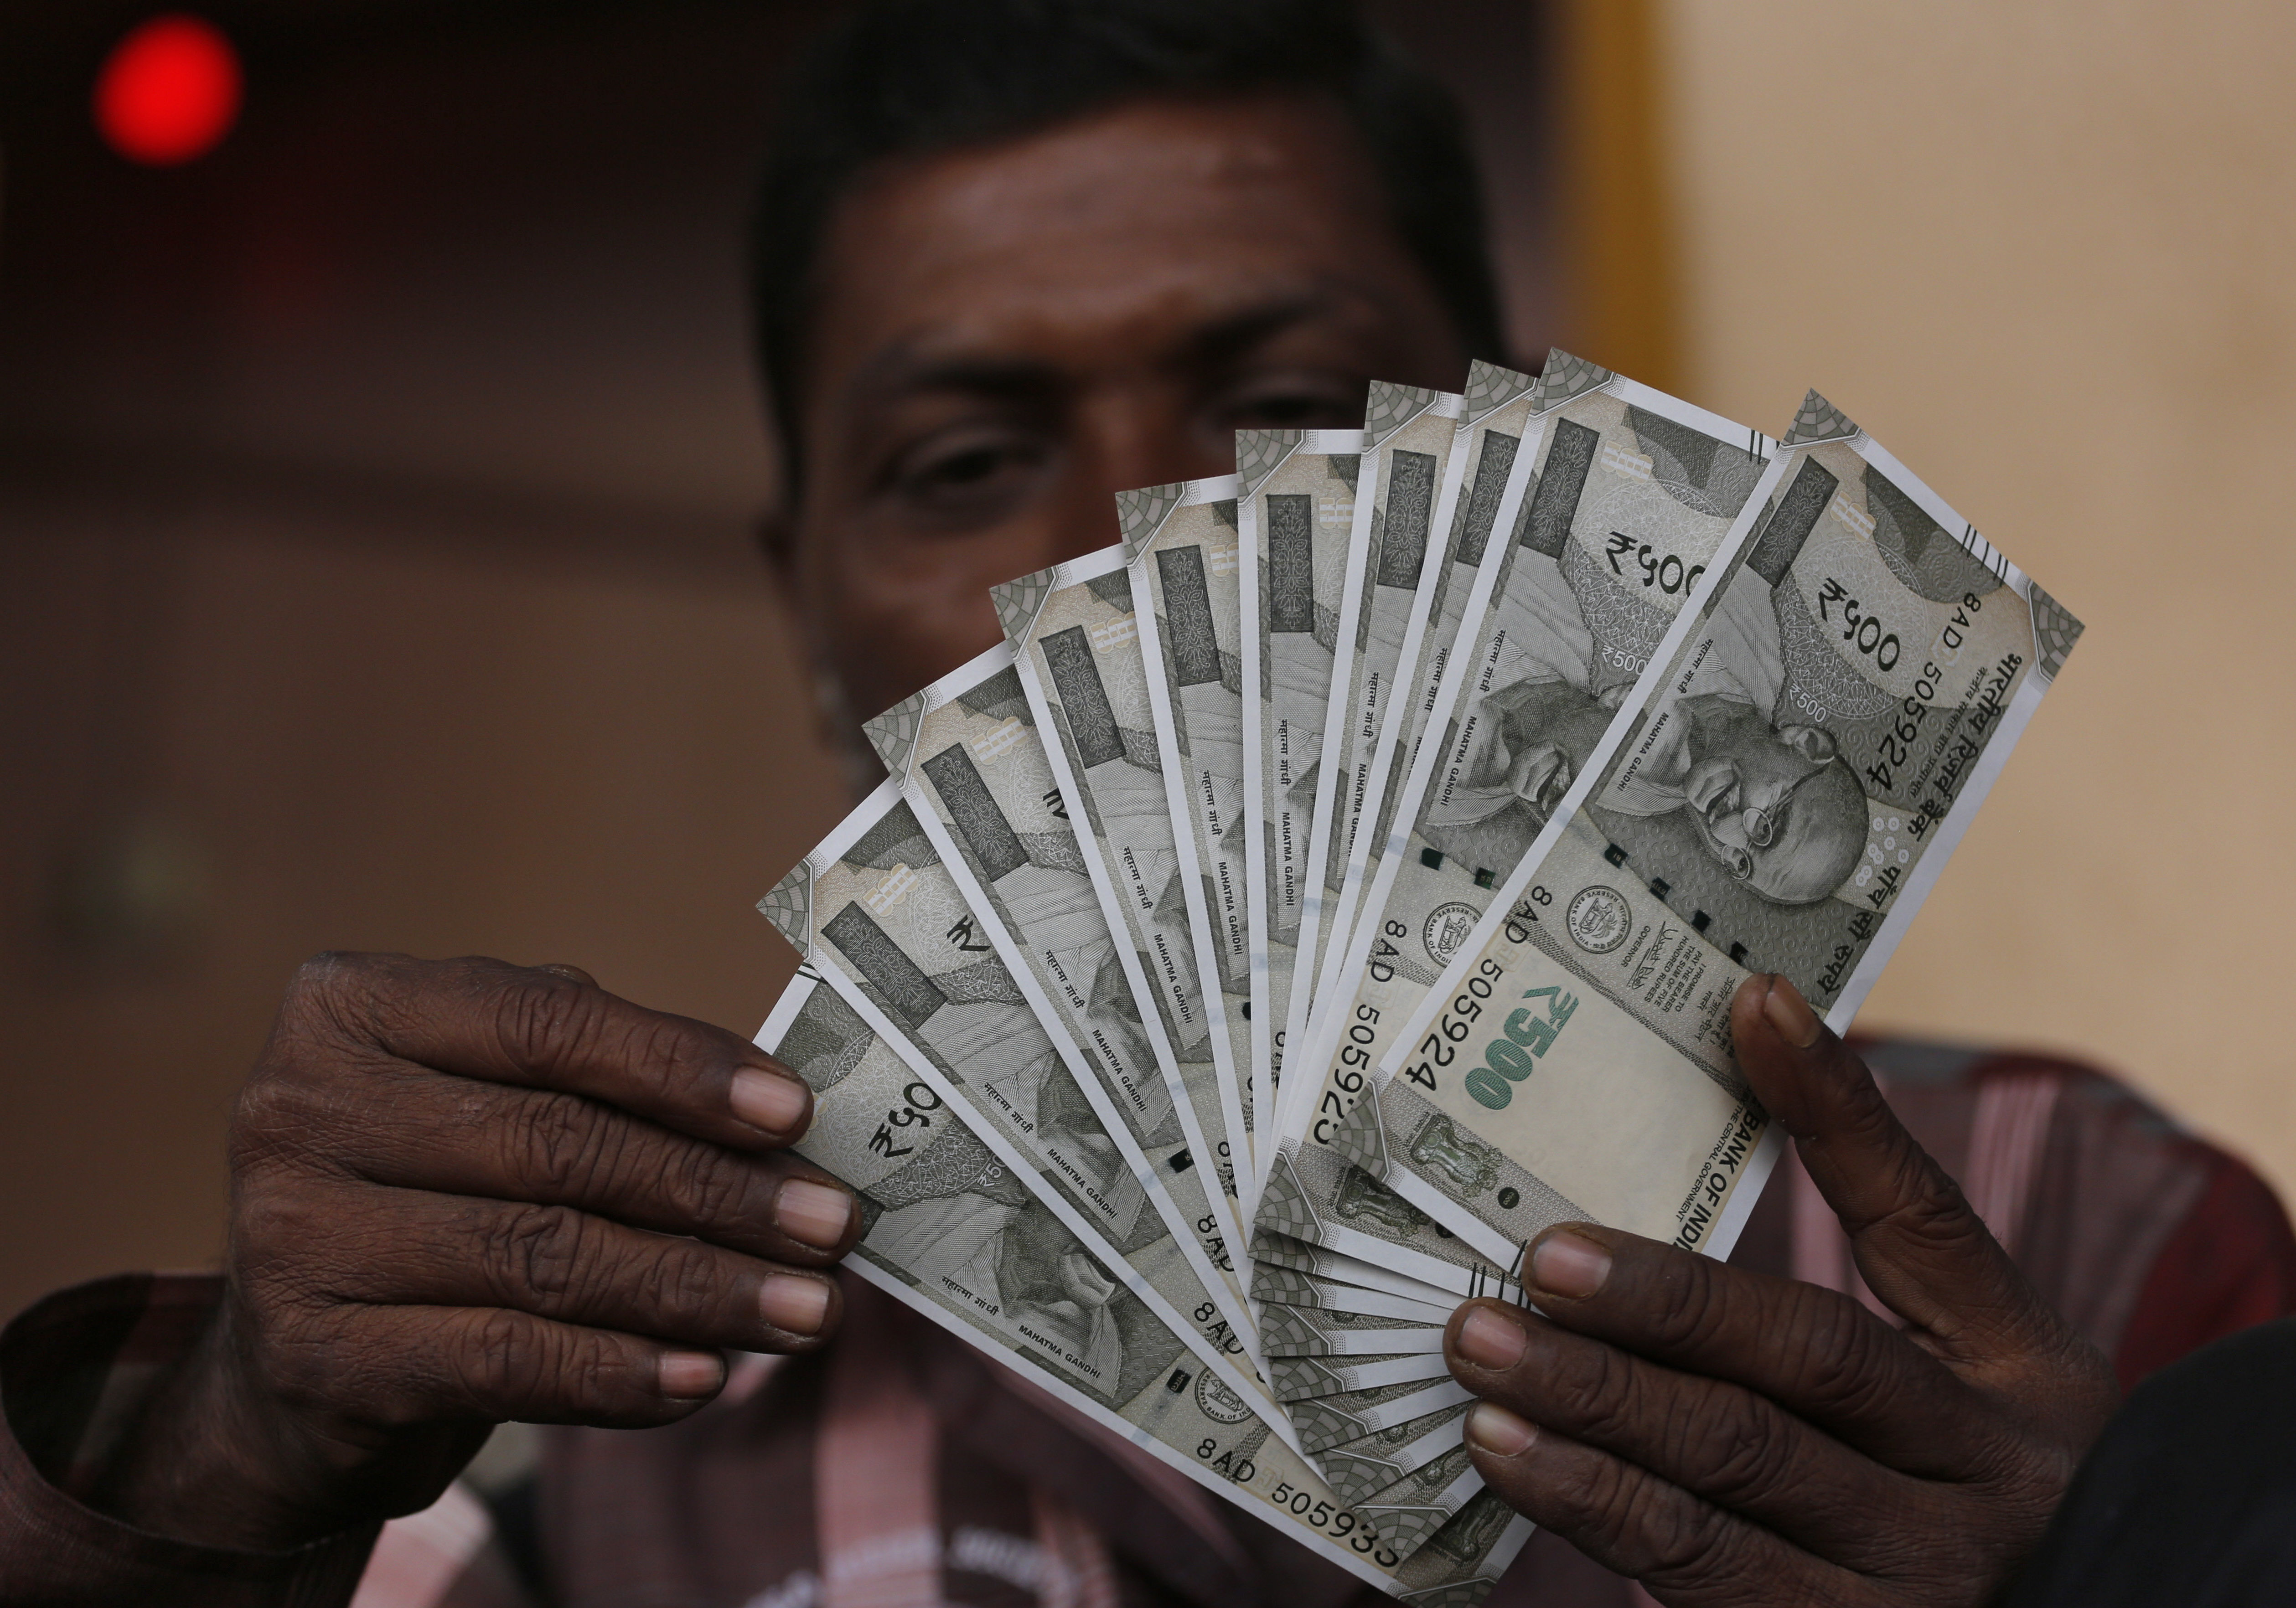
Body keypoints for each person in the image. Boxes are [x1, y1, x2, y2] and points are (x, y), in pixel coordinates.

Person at [4, 2, 2293, 1605]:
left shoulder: (2080, 1233)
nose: (1128, 565)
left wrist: (2150, 1567)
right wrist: (207, 1463)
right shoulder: (584, 1447)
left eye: (1288, 410)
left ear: (1518, 476)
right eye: (963, 462)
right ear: (799, 609)